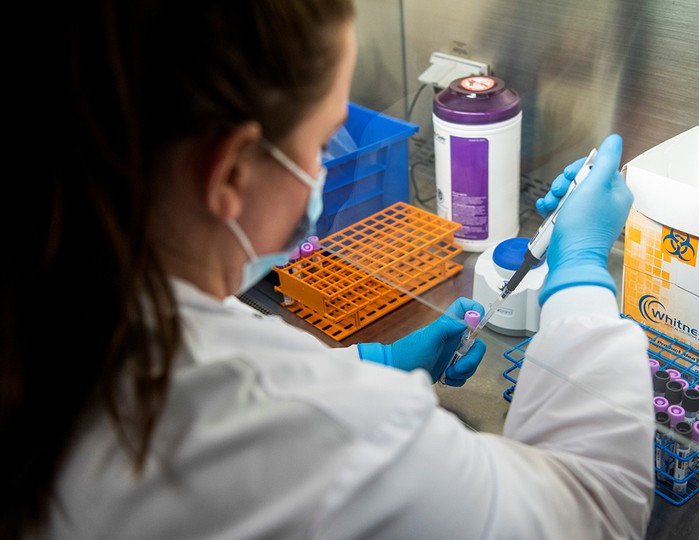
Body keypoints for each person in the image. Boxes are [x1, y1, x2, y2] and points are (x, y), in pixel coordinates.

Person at [2, 0, 655, 538]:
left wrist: (374, 364)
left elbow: (225, 354)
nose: (322, 172)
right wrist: (580, 268)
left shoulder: (67, 306)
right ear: (228, 172)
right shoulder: (337, 436)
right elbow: (593, 510)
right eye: (320, 144)